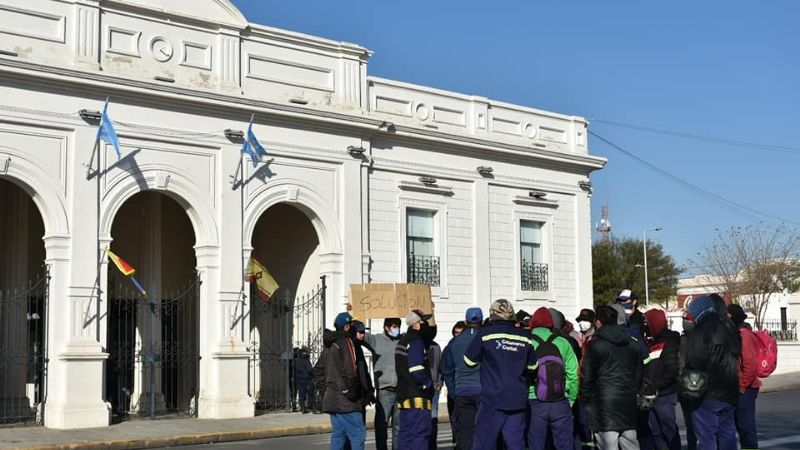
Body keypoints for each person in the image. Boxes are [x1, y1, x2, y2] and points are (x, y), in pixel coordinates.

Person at [464, 299, 537, 450]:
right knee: (516, 444)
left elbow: (469, 361)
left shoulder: (485, 334)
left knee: (484, 443)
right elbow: (533, 367)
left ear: (492, 315)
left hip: (492, 399)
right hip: (517, 399)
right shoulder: (525, 337)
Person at [580, 305, 643, 450]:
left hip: (603, 404)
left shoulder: (595, 345)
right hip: (627, 401)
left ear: (598, 322)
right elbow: (639, 374)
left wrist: (585, 398)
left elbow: (587, 376)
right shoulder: (633, 344)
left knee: (608, 444)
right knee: (631, 443)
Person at [685, 295, 741, 450]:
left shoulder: (700, 330)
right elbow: (737, 350)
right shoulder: (728, 325)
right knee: (727, 435)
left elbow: (694, 360)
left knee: (706, 438)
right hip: (730, 390)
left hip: (707, 393)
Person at [527, 307, 579, 450]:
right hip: (560, 398)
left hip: (534, 399)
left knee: (536, 444)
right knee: (564, 444)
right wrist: (570, 398)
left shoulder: (527, 342)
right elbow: (573, 374)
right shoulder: (563, 342)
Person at [320, 312, 367, 450]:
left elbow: (317, 370)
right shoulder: (347, 342)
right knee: (358, 435)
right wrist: (350, 391)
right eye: (351, 324)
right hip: (346, 402)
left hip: (332, 399)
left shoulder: (329, 345)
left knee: (338, 436)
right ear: (347, 327)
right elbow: (350, 371)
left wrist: (327, 388)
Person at [443, 309, 483, 450]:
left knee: (466, 430)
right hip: (482, 390)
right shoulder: (485, 339)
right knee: (484, 429)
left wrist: (454, 391)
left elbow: (447, 370)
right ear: (482, 322)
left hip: (462, 390)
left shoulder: (454, 342)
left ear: (466, 322)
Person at [395, 309, 435, 450]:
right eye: (424, 322)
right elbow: (416, 370)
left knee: (405, 435)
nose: (426, 325)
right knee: (420, 435)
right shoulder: (416, 342)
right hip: (417, 397)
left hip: (404, 395)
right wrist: (428, 385)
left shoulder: (403, 341)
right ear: (416, 325)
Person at [642, 308, 681, 450]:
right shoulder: (653, 342)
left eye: (647, 321)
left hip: (665, 394)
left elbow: (671, 369)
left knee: (668, 431)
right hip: (653, 395)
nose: (645, 325)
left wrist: (655, 386)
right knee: (656, 433)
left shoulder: (668, 341)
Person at [365, 318, 403, 450]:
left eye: (398, 326)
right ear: (386, 327)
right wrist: (354, 313)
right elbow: (360, 335)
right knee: (381, 426)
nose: (396, 328)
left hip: (400, 390)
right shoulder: (377, 340)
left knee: (399, 427)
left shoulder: (403, 340)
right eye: (393, 326)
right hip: (384, 390)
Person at [728, 303, 761, 450]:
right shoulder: (735, 334)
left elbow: (750, 365)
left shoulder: (744, 336)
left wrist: (741, 386)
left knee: (746, 428)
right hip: (738, 388)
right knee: (739, 427)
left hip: (745, 389)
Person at [442, 321, 466, 449]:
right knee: (455, 420)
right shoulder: (450, 348)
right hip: (455, 390)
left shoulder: (469, 345)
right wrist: (452, 391)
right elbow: (446, 370)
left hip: (465, 389)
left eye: (460, 333)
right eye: (456, 333)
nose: (458, 335)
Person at [574, 308, 596, 450]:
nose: (583, 323)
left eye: (586, 320)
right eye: (581, 320)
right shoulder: (579, 338)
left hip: (592, 389)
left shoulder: (595, 339)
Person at [428, 326, 443, 450]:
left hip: (434, 387)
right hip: (422, 388)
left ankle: (432, 445)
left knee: (433, 417)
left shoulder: (436, 347)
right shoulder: (417, 345)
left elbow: (440, 365)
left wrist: (439, 382)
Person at [295, 347, 315, 414]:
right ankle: (311, 407)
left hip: (300, 379)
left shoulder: (297, 361)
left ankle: (303, 408)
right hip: (307, 379)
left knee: (301, 394)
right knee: (310, 394)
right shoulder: (306, 361)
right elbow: (309, 370)